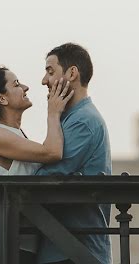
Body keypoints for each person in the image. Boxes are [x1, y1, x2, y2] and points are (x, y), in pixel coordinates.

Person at [0, 67, 75, 264]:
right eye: (17, 84)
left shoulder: (16, 135)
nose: (26, 87)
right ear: (1, 98)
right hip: (2, 249)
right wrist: (53, 113)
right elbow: (52, 152)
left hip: (22, 246)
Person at [33, 43, 112, 264]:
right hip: (66, 250)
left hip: (75, 253)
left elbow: (43, 182)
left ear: (72, 73)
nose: (43, 81)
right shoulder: (72, 119)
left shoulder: (83, 122)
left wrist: (51, 115)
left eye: (50, 71)